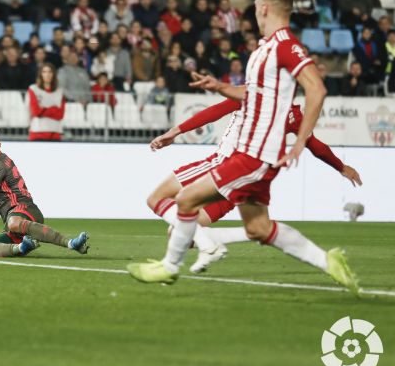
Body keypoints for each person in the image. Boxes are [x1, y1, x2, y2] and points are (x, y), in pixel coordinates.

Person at [127, 0, 359, 294]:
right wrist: (220, 86)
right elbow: (251, 94)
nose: (253, 10)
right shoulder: (265, 50)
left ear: (264, 8)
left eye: (255, 5)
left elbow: (316, 88)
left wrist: (300, 141)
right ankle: (329, 262)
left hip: (255, 155)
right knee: (259, 228)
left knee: (185, 199)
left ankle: (169, 267)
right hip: (250, 156)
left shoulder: (285, 45)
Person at [148, 97, 363, 273]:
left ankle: (206, 247)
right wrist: (341, 167)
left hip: (221, 166)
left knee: (157, 197)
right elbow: (315, 145)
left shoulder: (252, 93)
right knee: (179, 232)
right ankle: (210, 243)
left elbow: (215, 111)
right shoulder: (294, 115)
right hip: (242, 180)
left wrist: (174, 132)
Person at [0, 126, 90, 257]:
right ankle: (21, 247)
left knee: (13, 223)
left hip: (25, 211)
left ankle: (71, 243)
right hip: (14, 220)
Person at [28, 63, 65, 141]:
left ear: (53, 74)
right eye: (44, 72)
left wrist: (43, 110)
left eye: (50, 72)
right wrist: (54, 109)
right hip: (37, 132)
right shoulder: (33, 89)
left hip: (55, 133)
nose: (47, 74)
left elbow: (60, 114)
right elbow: (36, 112)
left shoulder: (60, 91)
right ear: (40, 74)